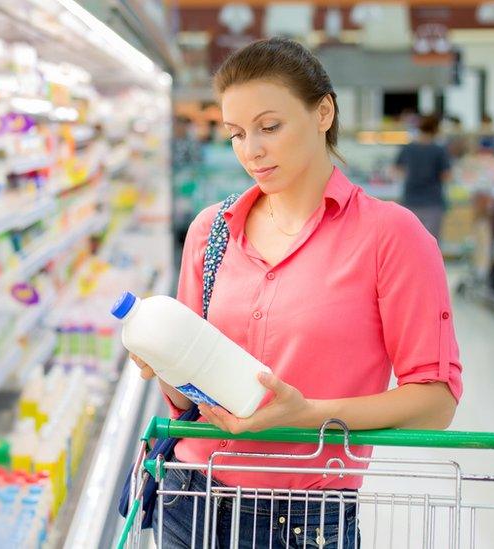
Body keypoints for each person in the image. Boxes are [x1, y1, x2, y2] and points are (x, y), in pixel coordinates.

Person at [130, 37, 462, 549]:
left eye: (270, 126)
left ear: (323, 111)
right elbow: (186, 403)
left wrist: (307, 415)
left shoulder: (392, 237)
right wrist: (164, 364)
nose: (251, 151)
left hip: (304, 518)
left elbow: (435, 403)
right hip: (188, 499)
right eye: (237, 133)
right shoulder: (211, 231)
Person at [394, 115, 452, 240]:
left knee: (409, 243)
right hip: (432, 202)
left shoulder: (408, 148)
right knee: (431, 243)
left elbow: (397, 169)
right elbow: (446, 175)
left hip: (410, 200)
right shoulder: (439, 150)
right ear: (436, 129)